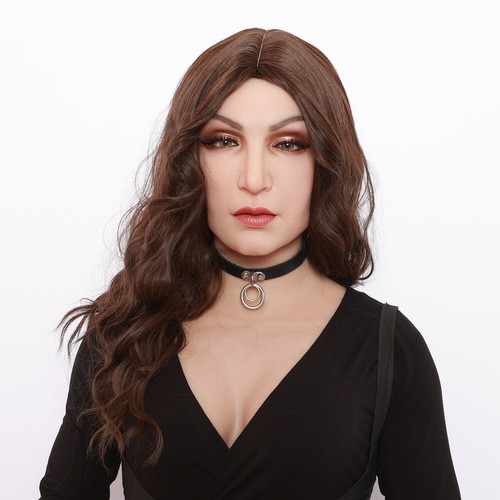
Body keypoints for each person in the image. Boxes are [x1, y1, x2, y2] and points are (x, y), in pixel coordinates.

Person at [39, 28, 461, 499]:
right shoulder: (124, 332)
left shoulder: (389, 351)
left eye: (289, 143)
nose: (254, 179)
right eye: (223, 140)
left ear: (326, 161)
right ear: (189, 159)